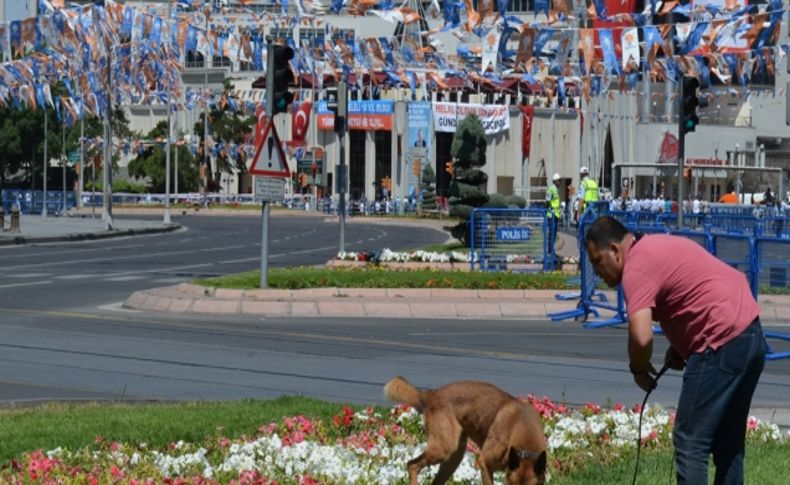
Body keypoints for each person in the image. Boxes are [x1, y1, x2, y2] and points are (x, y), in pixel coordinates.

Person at [584, 216, 765, 485]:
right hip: (750, 333)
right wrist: (681, 347)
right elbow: (693, 290)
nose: (597, 272)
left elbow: (642, 337)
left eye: (598, 261)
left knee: (690, 441)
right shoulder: (656, 246)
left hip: (719, 342)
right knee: (729, 443)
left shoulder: (636, 268)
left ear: (614, 250)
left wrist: (638, 368)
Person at [545, 173, 562, 267]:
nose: (560, 182)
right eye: (559, 180)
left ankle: (552, 251)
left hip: (555, 215)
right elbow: (547, 200)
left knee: (554, 234)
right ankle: (550, 252)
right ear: (555, 181)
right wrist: (549, 210)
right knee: (551, 234)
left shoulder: (556, 189)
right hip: (551, 215)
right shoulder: (551, 189)